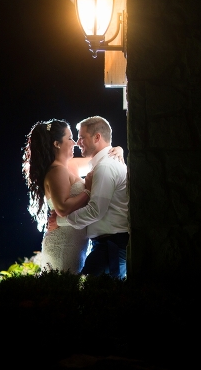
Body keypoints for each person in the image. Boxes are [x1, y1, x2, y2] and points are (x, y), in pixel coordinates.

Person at [22, 118, 124, 274]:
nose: (75, 142)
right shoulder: (56, 171)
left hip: (76, 241)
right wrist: (87, 191)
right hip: (64, 243)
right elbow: (62, 208)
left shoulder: (70, 165)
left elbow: (100, 155)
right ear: (57, 144)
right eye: (70, 138)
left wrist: (118, 149)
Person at [49, 115, 129, 279]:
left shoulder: (105, 166)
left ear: (97, 137)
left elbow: (95, 211)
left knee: (87, 288)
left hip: (111, 245)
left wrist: (60, 221)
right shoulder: (101, 164)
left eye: (81, 137)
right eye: (74, 138)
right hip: (106, 244)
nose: (77, 142)